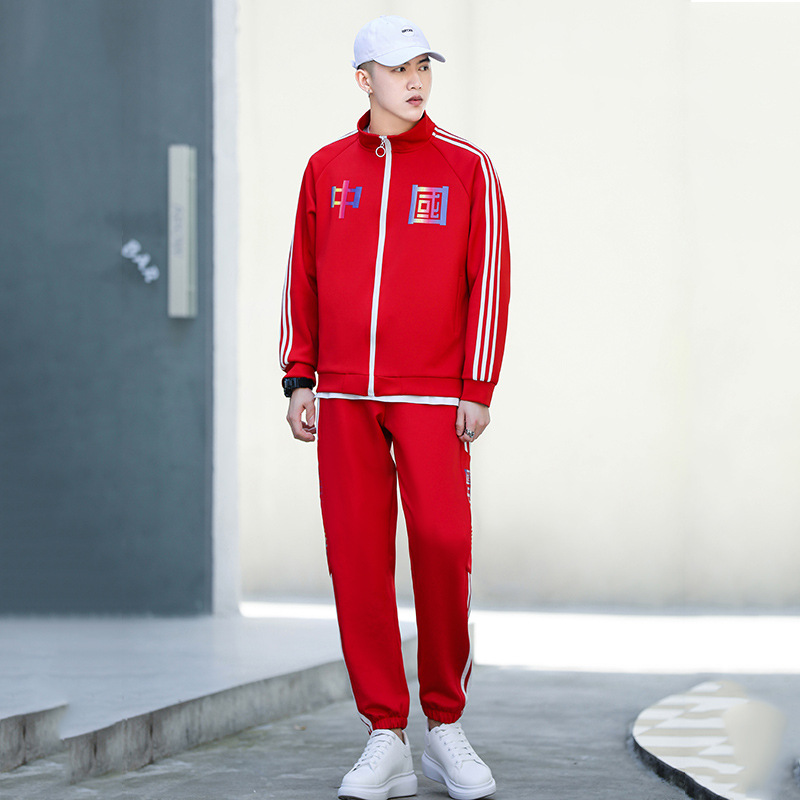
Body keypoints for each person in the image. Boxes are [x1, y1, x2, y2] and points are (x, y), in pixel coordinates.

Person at [279, 14, 510, 800]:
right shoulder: (325, 169)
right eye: (398, 68)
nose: (415, 82)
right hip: (344, 394)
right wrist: (299, 376)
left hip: (433, 395)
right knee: (356, 560)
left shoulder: (466, 168)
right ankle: (386, 734)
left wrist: (477, 386)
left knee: (443, 544)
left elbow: (489, 279)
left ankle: (445, 725)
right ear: (364, 80)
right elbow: (302, 277)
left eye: (423, 67)